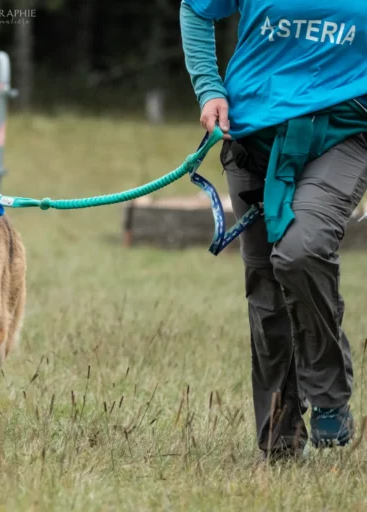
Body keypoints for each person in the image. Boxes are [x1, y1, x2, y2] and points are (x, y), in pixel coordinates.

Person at [180, 0, 367, 461]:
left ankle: (328, 389)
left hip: (343, 129)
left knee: (302, 250)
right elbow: (196, 8)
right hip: (252, 136)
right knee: (266, 292)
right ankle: (280, 441)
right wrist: (209, 89)